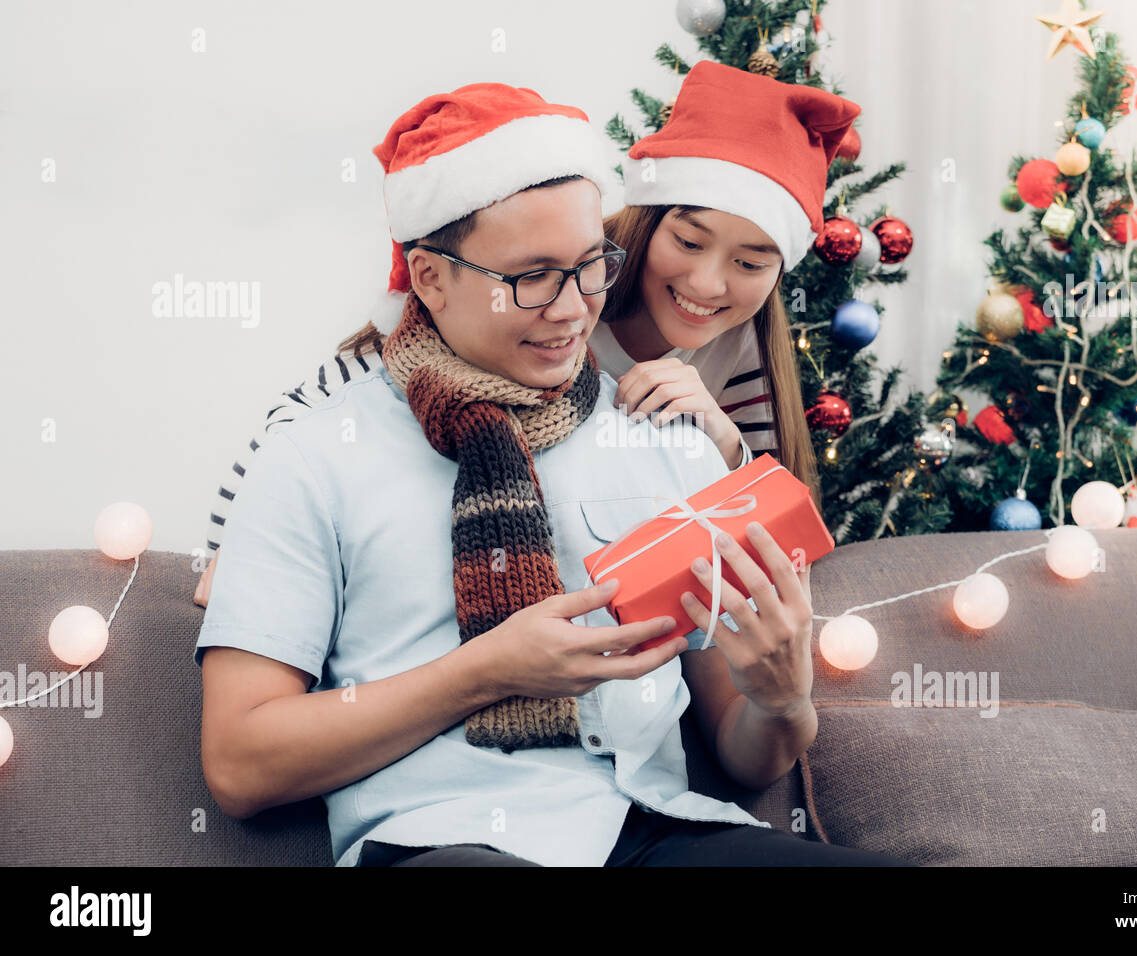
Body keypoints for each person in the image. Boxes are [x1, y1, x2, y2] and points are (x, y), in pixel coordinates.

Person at [193, 80, 907, 867]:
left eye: (590, 267)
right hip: (444, 839)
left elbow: (746, 757)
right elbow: (238, 765)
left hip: (658, 829)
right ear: (430, 278)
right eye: (531, 277)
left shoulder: (671, 436)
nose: (573, 310)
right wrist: (484, 672)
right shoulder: (314, 453)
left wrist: (782, 699)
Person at [193, 61, 853, 608]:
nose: (709, 284)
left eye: (751, 262)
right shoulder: (446, 345)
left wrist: (727, 449)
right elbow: (324, 416)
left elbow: (773, 558)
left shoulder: (736, 356)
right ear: (644, 223)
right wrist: (241, 555)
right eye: (687, 239)